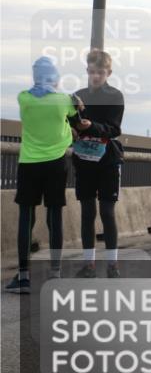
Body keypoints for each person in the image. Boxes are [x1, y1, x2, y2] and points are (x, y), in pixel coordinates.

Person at [6, 58, 88, 294]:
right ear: (55, 76)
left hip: (29, 162)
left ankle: (23, 277)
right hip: (55, 163)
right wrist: (79, 106)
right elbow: (79, 122)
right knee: (54, 216)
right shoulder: (64, 100)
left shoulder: (24, 97)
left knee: (26, 217)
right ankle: (55, 273)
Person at [71, 50, 125, 278]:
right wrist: (74, 127)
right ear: (87, 71)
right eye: (92, 72)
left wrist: (90, 125)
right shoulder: (77, 96)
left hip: (108, 162)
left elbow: (114, 129)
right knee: (87, 212)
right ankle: (89, 265)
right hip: (84, 161)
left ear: (108, 73)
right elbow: (70, 124)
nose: (95, 76)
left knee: (107, 212)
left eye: (100, 72)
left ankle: (112, 265)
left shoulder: (115, 96)